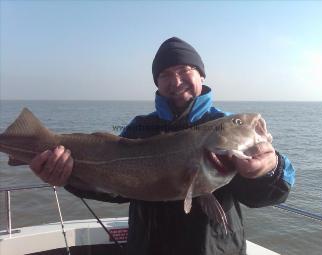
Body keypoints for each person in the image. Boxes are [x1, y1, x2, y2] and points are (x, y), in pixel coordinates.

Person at [30, 37, 295, 255]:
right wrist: (70, 177)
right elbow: (117, 191)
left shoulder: (221, 125)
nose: (176, 81)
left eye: (184, 71)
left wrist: (269, 168)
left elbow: (261, 197)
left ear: (201, 75)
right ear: (157, 82)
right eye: (166, 74)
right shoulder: (139, 128)